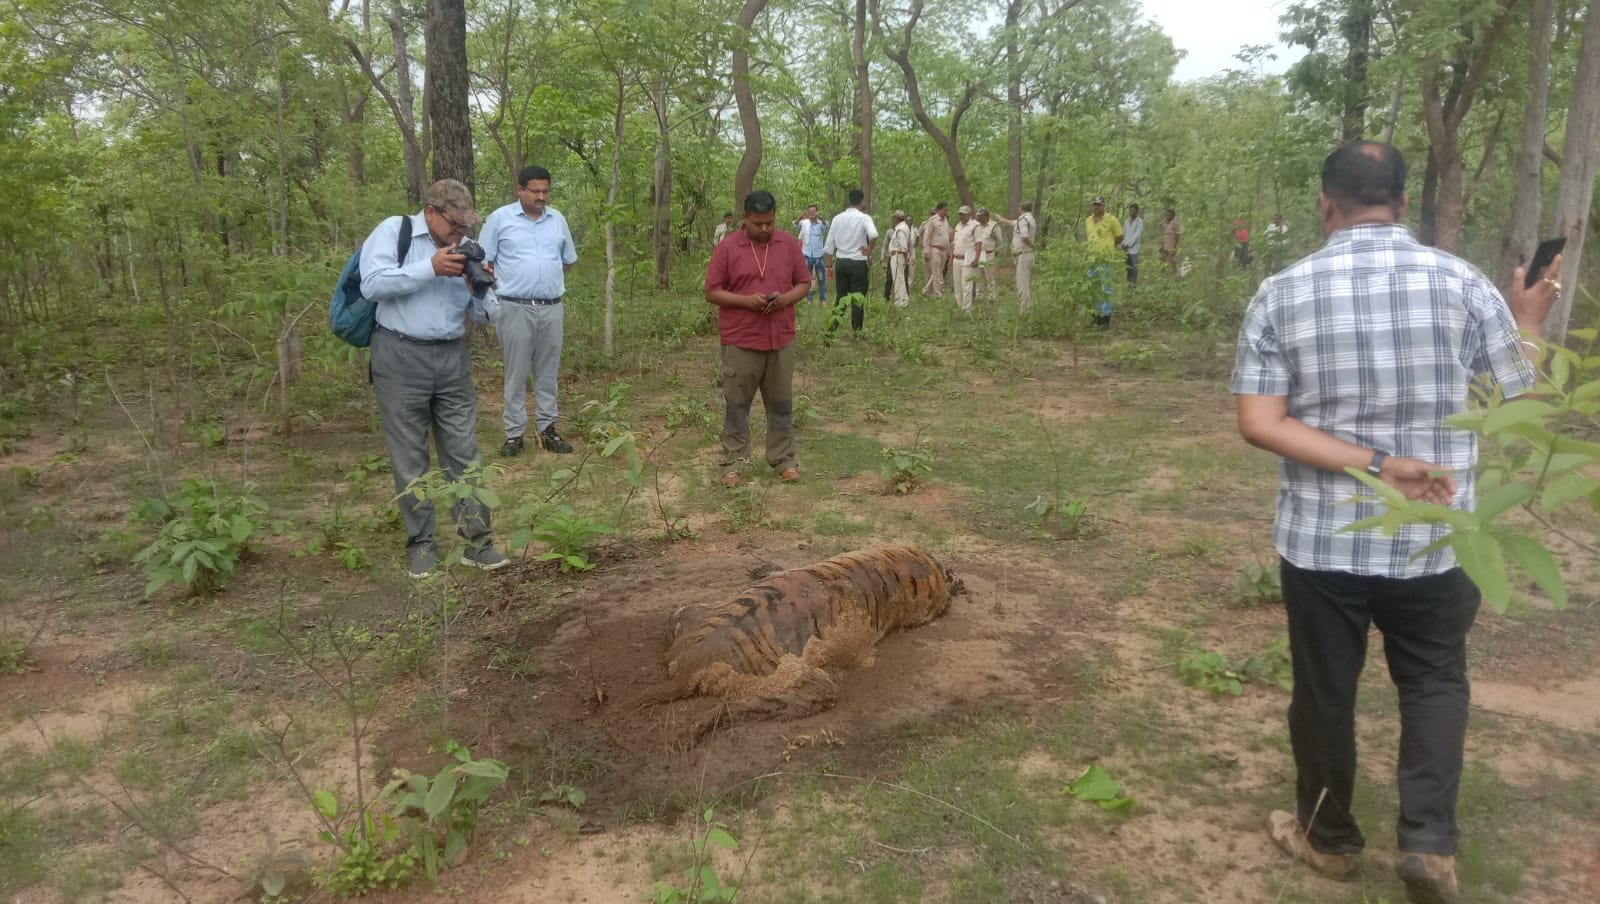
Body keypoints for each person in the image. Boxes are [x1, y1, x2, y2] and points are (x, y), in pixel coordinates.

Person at [1233, 141, 1562, 904]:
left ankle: (1328, 837)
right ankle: (1429, 845)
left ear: (1326, 204)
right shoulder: (1465, 284)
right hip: (1442, 537)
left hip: (1325, 538)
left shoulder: (1282, 292)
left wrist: (1375, 463)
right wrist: (1528, 325)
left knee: (1324, 689)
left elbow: (1259, 422)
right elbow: (1519, 406)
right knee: (1436, 681)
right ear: (1403, 203)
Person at [359, 179, 509, 578]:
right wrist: (430, 268)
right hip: (399, 354)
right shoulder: (395, 231)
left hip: (451, 357)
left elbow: (488, 318)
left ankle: (478, 543)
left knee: (464, 451)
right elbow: (371, 284)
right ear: (431, 210)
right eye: (454, 224)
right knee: (410, 458)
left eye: (465, 225)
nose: (460, 232)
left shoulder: (466, 247)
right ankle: (422, 545)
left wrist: (482, 287)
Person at [704, 190, 811, 487]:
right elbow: (712, 290)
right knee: (737, 403)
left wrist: (786, 299)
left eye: (769, 223)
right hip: (741, 339)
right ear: (745, 219)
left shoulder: (788, 243)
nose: (764, 229)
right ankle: (733, 461)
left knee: (780, 403)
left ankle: (783, 459)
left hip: (781, 338)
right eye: (758, 224)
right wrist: (746, 301)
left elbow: (804, 282)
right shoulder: (727, 248)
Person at [481, 164, 578, 459]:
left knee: (548, 372)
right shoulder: (500, 219)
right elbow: (483, 262)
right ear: (520, 190)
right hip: (514, 308)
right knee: (516, 372)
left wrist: (543, 280)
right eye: (535, 191)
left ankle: (548, 429)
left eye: (546, 191)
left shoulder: (557, 219)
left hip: (551, 308)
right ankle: (514, 435)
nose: (541, 196)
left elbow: (567, 260)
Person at [822, 189, 877, 334]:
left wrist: (828, 266)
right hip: (858, 263)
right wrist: (869, 250)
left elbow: (828, 247)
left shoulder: (837, 219)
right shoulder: (864, 218)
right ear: (862, 201)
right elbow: (873, 234)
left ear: (848, 200)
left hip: (841, 263)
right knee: (857, 300)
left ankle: (831, 332)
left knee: (841, 298)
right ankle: (857, 333)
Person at [1083, 195, 1122, 327]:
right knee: (1093, 289)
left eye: (1099, 205)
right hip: (1091, 259)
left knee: (1106, 289)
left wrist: (1110, 247)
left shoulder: (1111, 220)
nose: (1096, 207)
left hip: (1106, 259)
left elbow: (1119, 237)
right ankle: (1096, 316)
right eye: (1094, 204)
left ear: (1104, 206)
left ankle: (1105, 318)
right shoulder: (1088, 220)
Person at [995, 201, 1037, 312]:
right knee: (1024, 281)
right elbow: (1013, 223)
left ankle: (1025, 309)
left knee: (1022, 283)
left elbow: (1024, 236)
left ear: (1020, 209)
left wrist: (1033, 246)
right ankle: (1026, 306)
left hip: (1023, 254)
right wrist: (1002, 219)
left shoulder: (1023, 220)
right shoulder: (1029, 219)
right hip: (1025, 254)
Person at [795, 204, 828, 303]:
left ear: (817, 212)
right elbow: (796, 224)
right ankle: (809, 299)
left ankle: (823, 300)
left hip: (819, 255)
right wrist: (802, 215)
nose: (812, 214)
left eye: (814, 211)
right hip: (807, 254)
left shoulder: (821, 223)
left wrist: (820, 217)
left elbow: (826, 226)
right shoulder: (804, 223)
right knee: (807, 278)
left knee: (821, 277)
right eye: (810, 212)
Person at [950, 205, 979, 312]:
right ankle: (959, 307)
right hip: (956, 258)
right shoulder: (958, 226)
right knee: (957, 284)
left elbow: (978, 243)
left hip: (968, 258)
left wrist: (977, 258)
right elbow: (954, 243)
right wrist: (951, 258)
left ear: (969, 215)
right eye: (960, 214)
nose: (961, 216)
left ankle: (967, 309)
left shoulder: (975, 226)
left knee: (966, 284)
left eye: (963, 214)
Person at [920, 203, 951, 297]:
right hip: (935, 249)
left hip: (944, 250)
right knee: (936, 272)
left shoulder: (945, 220)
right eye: (945, 210)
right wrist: (926, 251)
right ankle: (938, 294)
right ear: (939, 210)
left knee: (939, 272)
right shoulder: (932, 220)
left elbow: (946, 235)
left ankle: (926, 289)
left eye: (947, 210)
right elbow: (926, 236)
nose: (946, 212)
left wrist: (948, 249)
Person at [886, 210, 913, 307]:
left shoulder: (901, 229)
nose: (892, 220)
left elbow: (904, 246)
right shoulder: (904, 228)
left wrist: (905, 256)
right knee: (898, 278)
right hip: (898, 255)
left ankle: (902, 300)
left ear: (896, 218)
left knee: (899, 278)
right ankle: (899, 299)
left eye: (893, 218)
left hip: (898, 255)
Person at [973, 208, 1001, 301]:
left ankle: (991, 295)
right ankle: (979, 294)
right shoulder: (976, 226)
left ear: (986, 216)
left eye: (980, 216)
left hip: (989, 253)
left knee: (989, 275)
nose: (978, 217)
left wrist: (996, 251)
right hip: (978, 254)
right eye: (978, 216)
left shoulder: (994, 226)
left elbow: (1000, 241)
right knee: (978, 275)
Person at [1123, 203, 1144, 285]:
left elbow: (1137, 235)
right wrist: (1123, 244)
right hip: (1126, 249)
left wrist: (1128, 244)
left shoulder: (1140, 222)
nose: (1132, 212)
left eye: (1134, 211)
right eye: (1131, 211)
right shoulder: (1126, 222)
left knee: (1134, 267)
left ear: (1137, 211)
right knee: (1128, 267)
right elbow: (1124, 234)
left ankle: (1133, 285)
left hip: (1134, 248)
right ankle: (1129, 283)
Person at [1160, 207, 1182, 273]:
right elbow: (1164, 235)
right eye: (1167, 215)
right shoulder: (1165, 223)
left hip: (1171, 245)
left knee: (1172, 260)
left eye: (1169, 215)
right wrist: (1162, 245)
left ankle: (1175, 274)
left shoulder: (1175, 223)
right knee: (1162, 259)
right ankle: (1162, 273)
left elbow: (1178, 235)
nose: (1168, 216)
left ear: (1173, 216)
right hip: (1165, 245)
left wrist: (1174, 247)